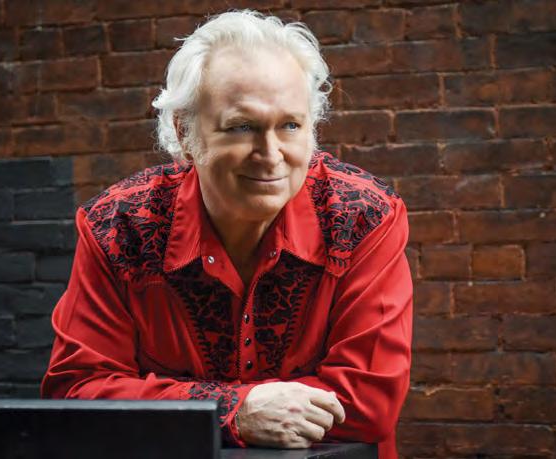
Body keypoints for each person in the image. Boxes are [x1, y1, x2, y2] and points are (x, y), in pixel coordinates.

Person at [41, 10, 412, 459]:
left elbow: (368, 401)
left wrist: (174, 406)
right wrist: (232, 410)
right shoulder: (118, 227)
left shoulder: (365, 217)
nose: (271, 154)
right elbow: (77, 392)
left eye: (290, 125)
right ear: (184, 132)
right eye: (242, 127)